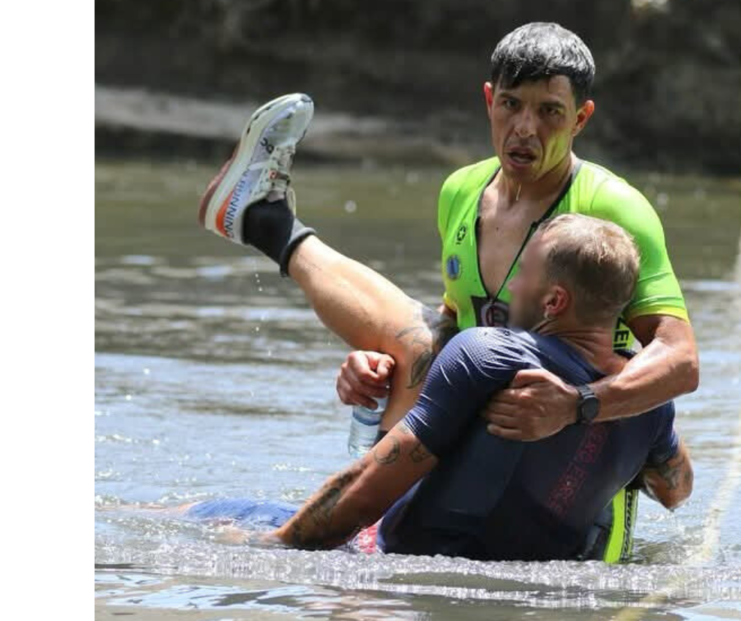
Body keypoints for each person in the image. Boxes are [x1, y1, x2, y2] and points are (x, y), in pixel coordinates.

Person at [331, 23, 699, 561]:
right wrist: (381, 369)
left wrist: (578, 405)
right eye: (511, 104)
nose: (525, 128)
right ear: (488, 100)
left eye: (550, 111)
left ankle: (276, 229)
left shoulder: (614, 209)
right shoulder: (459, 190)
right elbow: (455, 322)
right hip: (475, 471)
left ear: (581, 118)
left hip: (576, 494)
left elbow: (681, 359)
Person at [194, 166, 694, 557]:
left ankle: (266, 220)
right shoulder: (646, 404)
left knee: (202, 514)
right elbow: (676, 490)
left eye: (525, 275)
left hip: (391, 562)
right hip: (535, 571)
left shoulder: (492, 353)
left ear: (554, 302)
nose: (513, 284)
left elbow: (367, 494)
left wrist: (276, 547)